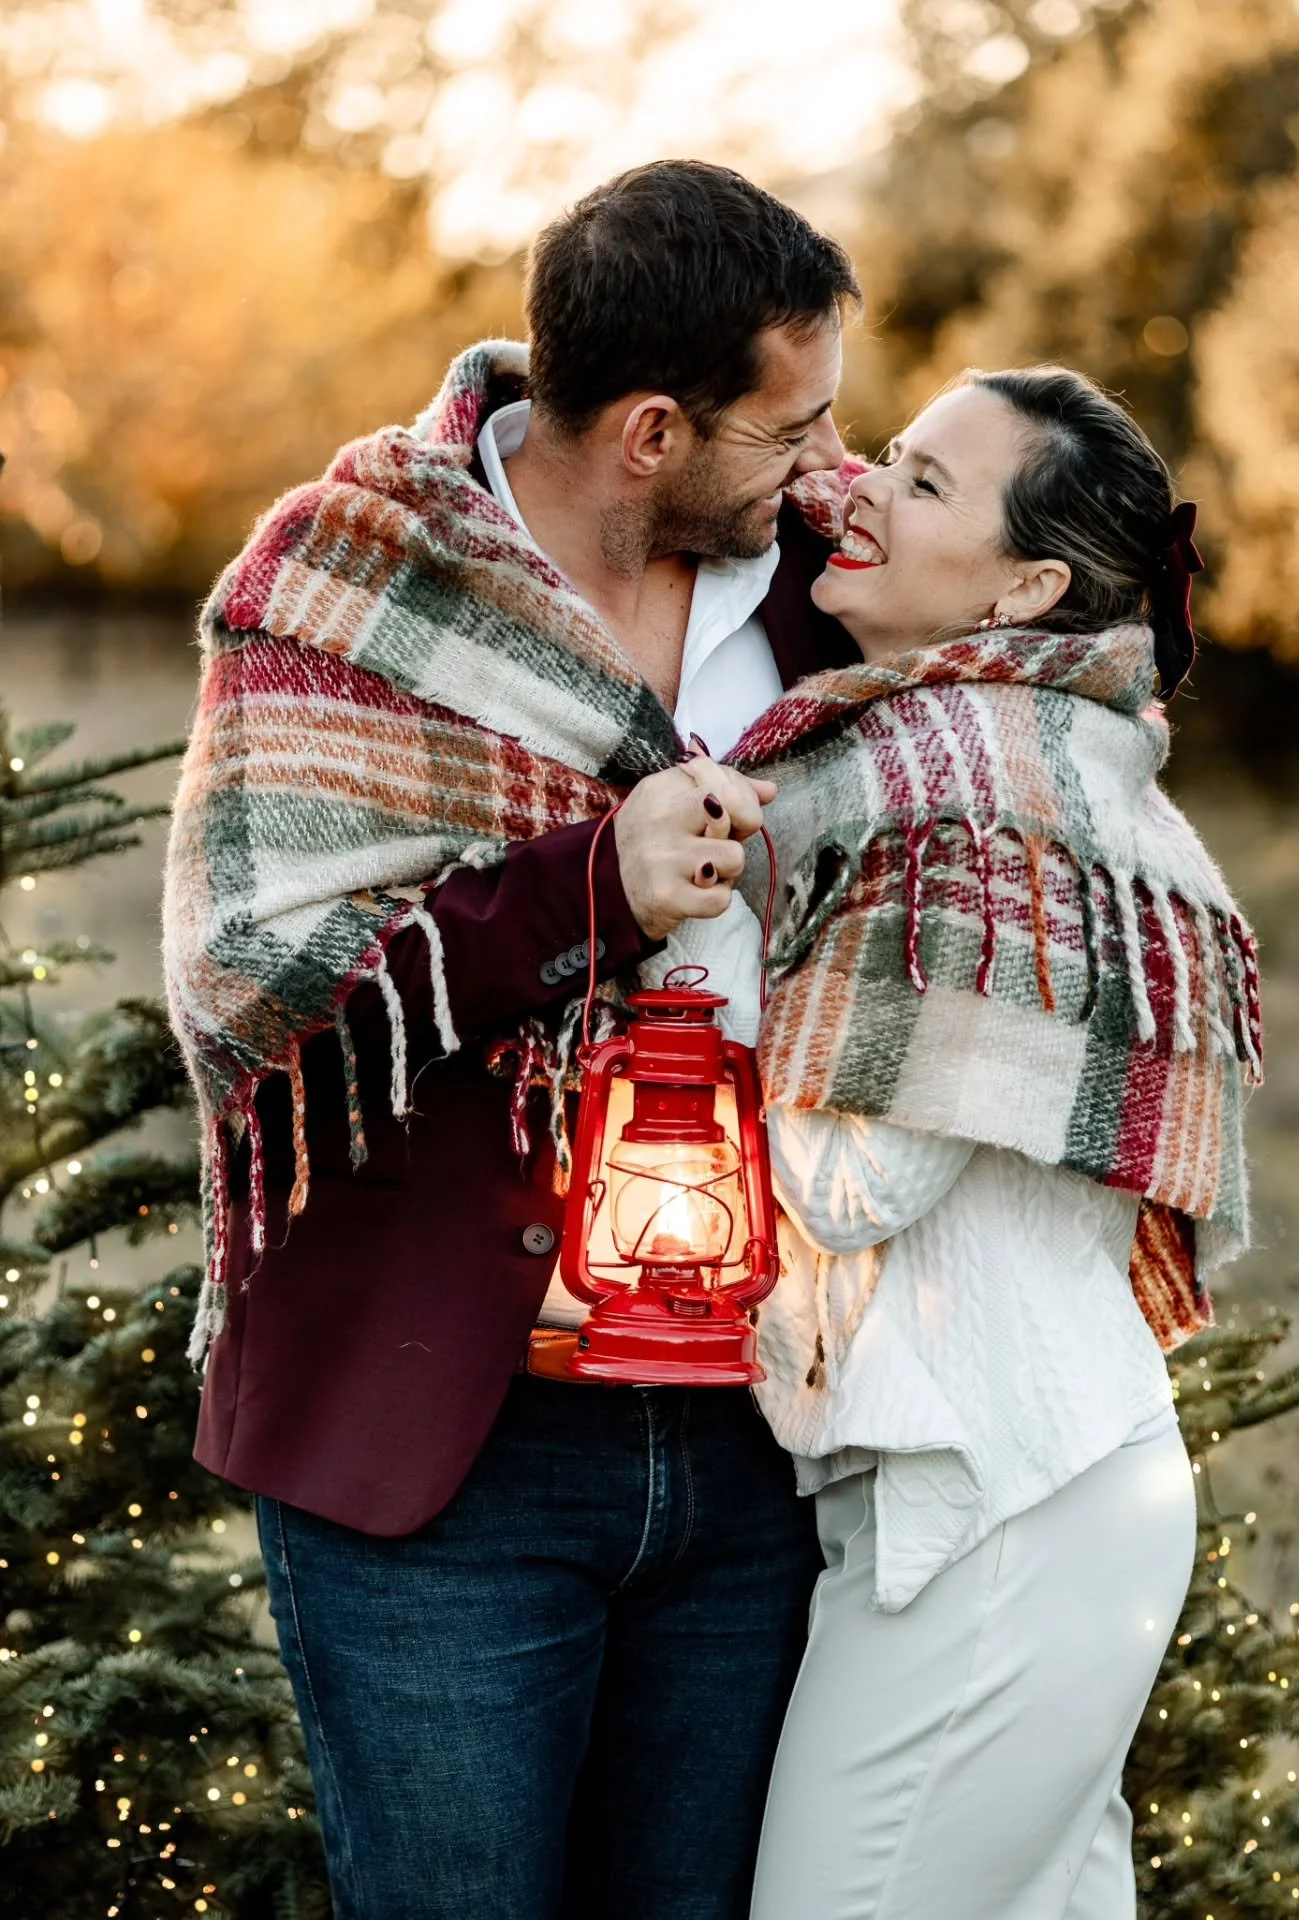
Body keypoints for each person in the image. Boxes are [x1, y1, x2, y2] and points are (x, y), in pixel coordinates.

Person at [161, 160, 862, 1920]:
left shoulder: (823, 577)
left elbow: (1040, 635)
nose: (827, 464)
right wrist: (585, 888)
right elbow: (266, 988)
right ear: (647, 432)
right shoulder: (345, 585)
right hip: (445, 1440)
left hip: (758, 1424)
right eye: (787, 430)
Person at [718, 367, 1262, 1918]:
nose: (871, 490)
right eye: (892, 457)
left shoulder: (940, 779)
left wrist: (709, 984)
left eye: (931, 485)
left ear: (1025, 587)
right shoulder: (1057, 757)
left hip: (997, 1516)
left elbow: (856, 1177)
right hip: (1063, 1483)